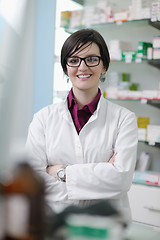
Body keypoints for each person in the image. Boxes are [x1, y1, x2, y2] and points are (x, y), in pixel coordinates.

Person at [26, 29, 138, 220]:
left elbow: (120, 180)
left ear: (104, 66)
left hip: (106, 224)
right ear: (65, 67)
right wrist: (100, 177)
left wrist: (60, 172)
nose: (82, 67)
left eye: (92, 59)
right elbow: (33, 181)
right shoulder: (43, 119)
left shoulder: (124, 119)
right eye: (74, 60)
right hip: (56, 220)